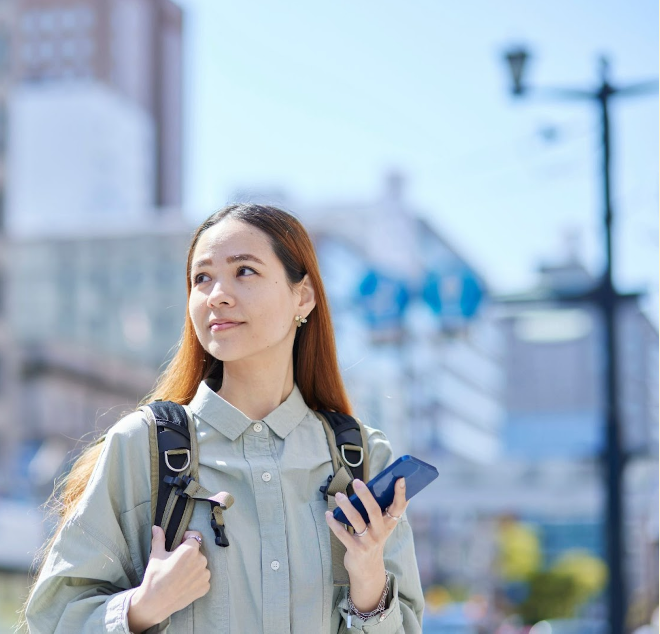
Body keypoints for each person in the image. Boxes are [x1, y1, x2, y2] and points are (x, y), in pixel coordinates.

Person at [23, 204, 425, 633]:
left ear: (303, 296)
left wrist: (368, 582)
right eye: (202, 278)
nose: (217, 294)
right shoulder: (142, 449)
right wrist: (141, 607)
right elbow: (51, 620)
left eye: (244, 271)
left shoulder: (362, 460)